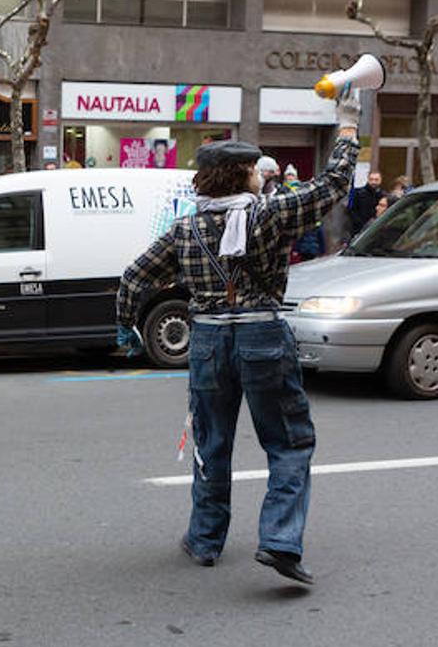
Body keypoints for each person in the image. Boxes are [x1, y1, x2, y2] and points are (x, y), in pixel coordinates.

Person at [114, 82, 362, 587]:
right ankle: (279, 541)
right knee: (289, 443)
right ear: (245, 174)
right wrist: (349, 125)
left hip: (207, 343)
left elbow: (134, 277)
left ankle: (205, 542)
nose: (259, 174)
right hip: (262, 337)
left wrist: (128, 327)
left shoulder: (185, 230)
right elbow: (336, 183)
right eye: (255, 169)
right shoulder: (270, 213)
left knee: (212, 442)